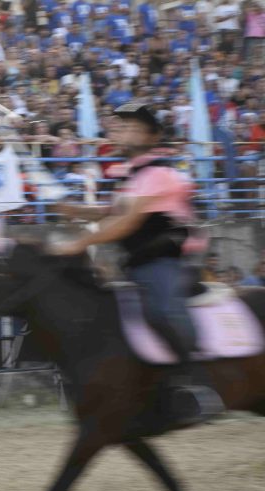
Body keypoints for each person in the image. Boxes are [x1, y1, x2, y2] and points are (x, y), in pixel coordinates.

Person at [52, 102, 225, 426]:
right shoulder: (132, 177)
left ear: (153, 136)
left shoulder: (160, 174)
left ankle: (200, 387)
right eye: (121, 126)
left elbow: (126, 223)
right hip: (138, 265)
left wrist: (81, 242)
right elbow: (110, 212)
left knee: (162, 310)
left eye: (133, 127)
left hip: (167, 262)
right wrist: (74, 210)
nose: (123, 131)